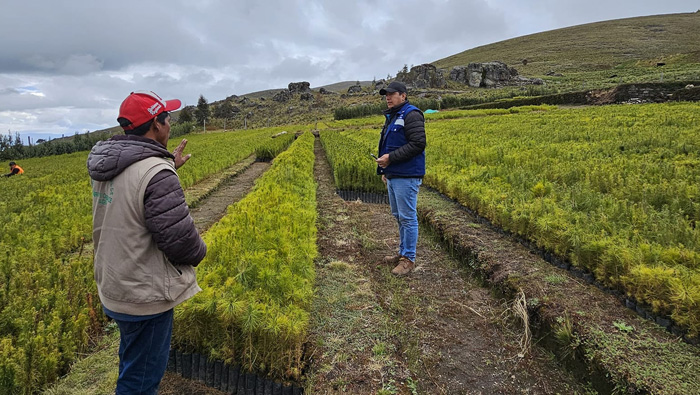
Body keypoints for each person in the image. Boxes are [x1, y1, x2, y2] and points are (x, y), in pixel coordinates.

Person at [87, 91, 206, 394]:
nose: (170, 125)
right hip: (144, 294)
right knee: (140, 383)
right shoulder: (154, 172)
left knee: (132, 360)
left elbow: (131, 197)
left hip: (115, 283)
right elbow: (180, 243)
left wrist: (167, 169)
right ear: (156, 124)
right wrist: (202, 251)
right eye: (168, 119)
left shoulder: (109, 164)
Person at [375, 81, 426, 276]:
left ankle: (409, 259)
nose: (388, 97)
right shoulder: (393, 116)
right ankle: (402, 253)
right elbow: (390, 145)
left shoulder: (411, 114)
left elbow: (418, 143)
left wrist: (391, 159)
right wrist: (387, 171)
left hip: (407, 175)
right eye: (386, 95)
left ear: (403, 95)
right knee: (399, 216)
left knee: (407, 217)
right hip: (395, 174)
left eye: (392, 94)